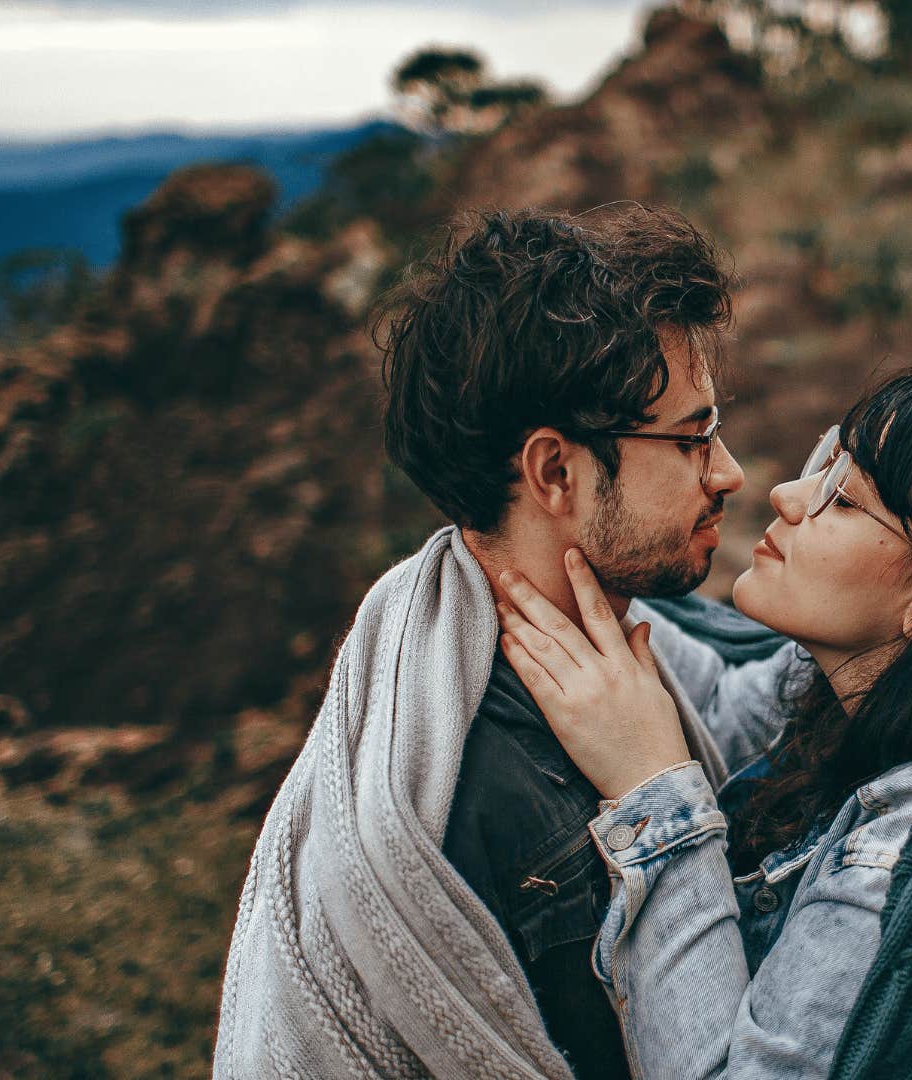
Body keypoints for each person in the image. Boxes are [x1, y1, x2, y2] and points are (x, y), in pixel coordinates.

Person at [212, 204, 803, 1079]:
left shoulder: (628, 642)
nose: (729, 473)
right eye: (690, 439)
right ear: (555, 472)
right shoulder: (503, 800)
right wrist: (656, 788)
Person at [496, 367, 912, 1078]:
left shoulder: (908, 857)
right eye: (826, 463)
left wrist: (653, 787)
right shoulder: (881, 682)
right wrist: (556, 555)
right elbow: (723, 704)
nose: (787, 495)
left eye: (843, 499)